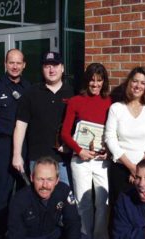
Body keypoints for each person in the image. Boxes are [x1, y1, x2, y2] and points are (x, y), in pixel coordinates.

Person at [0, 48, 31, 238]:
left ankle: (20, 225)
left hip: (25, 144)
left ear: (24, 65)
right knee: (4, 187)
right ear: (5, 64)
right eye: (11, 62)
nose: (15, 66)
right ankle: (1, 229)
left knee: (24, 187)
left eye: (18, 63)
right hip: (3, 145)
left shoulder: (28, 88)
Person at [61, 63, 112, 239]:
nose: (95, 85)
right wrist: (79, 150)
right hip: (80, 160)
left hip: (101, 161)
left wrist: (109, 151)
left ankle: (99, 236)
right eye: (92, 80)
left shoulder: (109, 102)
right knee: (83, 204)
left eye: (99, 80)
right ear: (86, 81)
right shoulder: (75, 101)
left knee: (103, 202)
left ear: (104, 82)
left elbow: (113, 133)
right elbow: (65, 133)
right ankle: (85, 235)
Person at [105, 66, 145, 204]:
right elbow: (110, 138)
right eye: (135, 81)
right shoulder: (116, 108)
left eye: (143, 83)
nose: (138, 86)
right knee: (121, 212)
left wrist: (140, 173)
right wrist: (132, 168)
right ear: (129, 83)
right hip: (122, 169)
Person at [12, 51, 74, 186]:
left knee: (65, 197)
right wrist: (17, 154)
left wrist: (72, 146)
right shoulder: (31, 93)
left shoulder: (72, 93)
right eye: (47, 66)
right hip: (37, 158)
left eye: (55, 65)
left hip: (64, 159)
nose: (51, 70)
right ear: (42, 69)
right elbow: (21, 125)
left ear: (62, 68)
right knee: (39, 200)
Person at [8, 156, 81, 239]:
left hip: (54, 234)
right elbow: (15, 234)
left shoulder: (64, 191)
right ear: (32, 178)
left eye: (50, 179)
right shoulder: (19, 199)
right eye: (40, 179)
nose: (45, 185)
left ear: (57, 180)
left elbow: (72, 222)